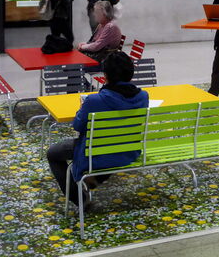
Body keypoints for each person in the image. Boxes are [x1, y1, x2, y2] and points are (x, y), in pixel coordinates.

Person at [47, 51, 149, 207]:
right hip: (128, 151)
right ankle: (94, 180)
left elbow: (77, 126)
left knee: (53, 153)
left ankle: (79, 199)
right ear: (131, 74)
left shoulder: (95, 100)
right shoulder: (143, 96)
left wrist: (82, 109)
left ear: (106, 75)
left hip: (95, 152)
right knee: (113, 144)